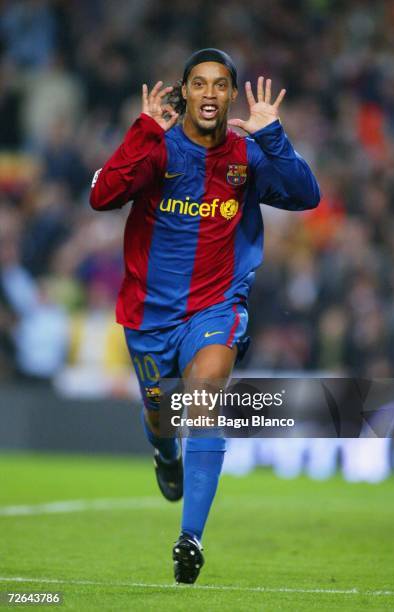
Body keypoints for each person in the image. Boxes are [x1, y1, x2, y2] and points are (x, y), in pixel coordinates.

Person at [90, 48, 320, 584]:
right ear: (185, 92)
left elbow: (307, 195)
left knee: (206, 396)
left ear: (231, 94)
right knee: (160, 413)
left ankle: (190, 537)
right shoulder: (157, 149)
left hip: (216, 307)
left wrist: (274, 136)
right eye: (200, 84)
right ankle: (163, 451)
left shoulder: (247, 154)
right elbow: (102, 196)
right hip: (148, 317)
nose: (210, 93)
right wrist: (142, 130)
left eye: (221, 85)